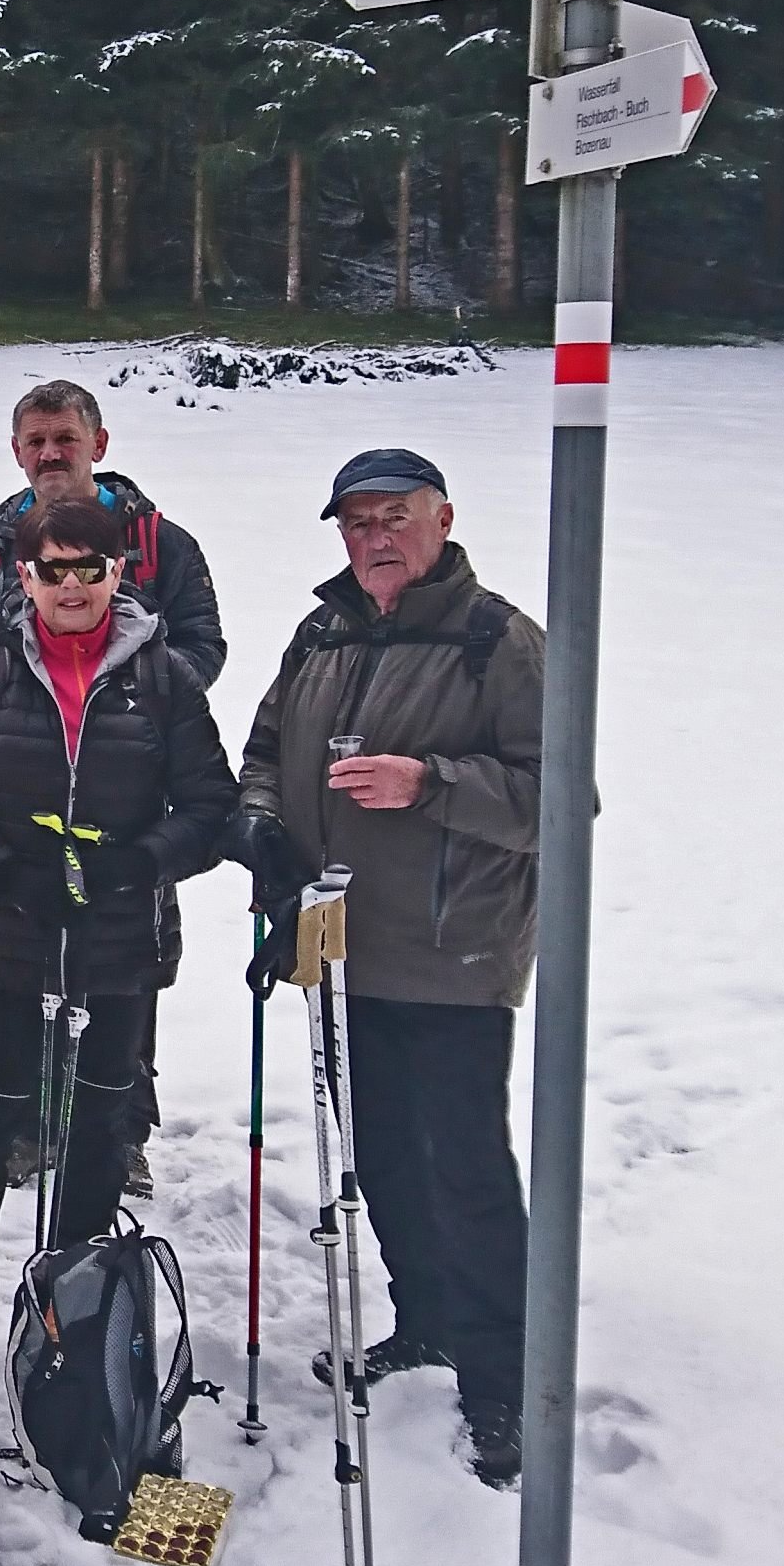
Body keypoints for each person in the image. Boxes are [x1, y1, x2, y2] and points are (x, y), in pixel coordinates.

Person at [232, 448, 542, 1489]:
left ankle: (503, 1375)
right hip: (341, 947)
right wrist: (265, 831)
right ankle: (429, 1321)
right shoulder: (320, 632)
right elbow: (265, 750)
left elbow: (558, 801)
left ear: (442, 518)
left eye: (394, 516)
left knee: (466, 1168)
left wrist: (432, 781)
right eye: (356, 520)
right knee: (385, 1157)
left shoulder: (496, 640)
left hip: (454, 952)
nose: (374, 536)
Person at [0, 496, 234, 1383]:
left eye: (91, 568)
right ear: (24, 576)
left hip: (120, 945)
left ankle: (72, 1306)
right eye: (53, 569)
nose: (72, 586)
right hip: (9, 937)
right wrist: (0, 868)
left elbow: (208, 808)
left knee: (96, 1126)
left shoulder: (162, 678)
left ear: (120, 573)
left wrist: (138, 865)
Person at [0, 378, 225, 1196]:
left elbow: (204, 645)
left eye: (64, 439)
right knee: (18, 950)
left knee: (119, 958)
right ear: (16, 451)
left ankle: (118, 1127)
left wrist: (141, 688)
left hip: (126, 772)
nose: (49, 455)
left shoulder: (160, 540)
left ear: (97, 444)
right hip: (19, 770)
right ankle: (29, 1122)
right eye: (34, 442)